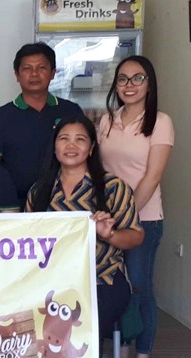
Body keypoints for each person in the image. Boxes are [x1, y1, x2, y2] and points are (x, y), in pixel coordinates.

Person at [25, 114, 144, 341]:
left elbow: (136, 236)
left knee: (81, 326)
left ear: (91, 148)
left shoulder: (113, 187)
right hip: (49, 280)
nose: (71, 145)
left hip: (101, 279)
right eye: (64, 139)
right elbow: (27, 243)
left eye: (80, 139)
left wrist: (109, 234)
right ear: (54, 147)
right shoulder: (39, 191)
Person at [97, 55, 174, 358]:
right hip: (107, 220)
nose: (129, 85)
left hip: (144, 219)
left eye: (137, 78)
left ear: (150, 83)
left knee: (140, 287)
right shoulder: (106, 120)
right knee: (115, 288)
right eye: (123, 79)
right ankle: (123, 352)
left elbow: (152, 176)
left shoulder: (160, 122)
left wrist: (124, 216)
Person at [0, 43, 84, 210]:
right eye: (27, 68)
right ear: (17, 74)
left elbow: (85, 156)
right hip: (16, 203)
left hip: (65, 201)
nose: (34, 74)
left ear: (53, 73)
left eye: (41, 68)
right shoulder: (1, 117)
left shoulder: (71, 111)